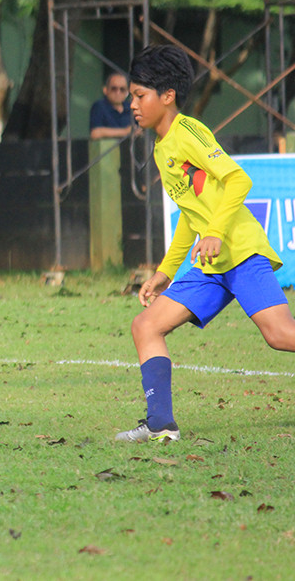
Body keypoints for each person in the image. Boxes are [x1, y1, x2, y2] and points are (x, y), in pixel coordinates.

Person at [115, 44, 295, 443]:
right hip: (209, 265)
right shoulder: (162, 149)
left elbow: (238, 179)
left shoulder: (189, 132)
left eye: (139, 95)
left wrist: (214, 231)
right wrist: (164, 272)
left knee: (280, 336)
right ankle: (161, 423)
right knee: (146, 325)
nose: (132, 105)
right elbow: (188, 219)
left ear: (167, 96)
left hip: (241, 252)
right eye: (131, 96)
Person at [90, 72, 137, 139]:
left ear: (127, 92)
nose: (118, 92)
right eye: (114, 89)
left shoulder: (131, 107)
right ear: (105, 90)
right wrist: (125, 131)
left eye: (122, 89)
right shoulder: (99, 106)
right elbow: (95, 133)